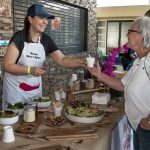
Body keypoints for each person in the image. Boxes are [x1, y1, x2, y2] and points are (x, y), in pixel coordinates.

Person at [2, 4, 86, 107]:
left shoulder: (46, 40)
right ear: (30, 19)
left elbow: (62, 59)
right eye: (41, 18)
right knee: (15, 121)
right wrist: (30, 70)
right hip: (15, 91)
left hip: (35, 90)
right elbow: (7, 66)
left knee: (35, 119)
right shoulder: (19, 38)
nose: (45, 22)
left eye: (46, 19)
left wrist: (82, 62)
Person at [88, 16, 150, 150]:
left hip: (147, 131)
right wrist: (99, 74)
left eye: (130, 30)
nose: (127, 34)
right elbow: (122, 85)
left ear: (141, 37)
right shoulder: (139, 61)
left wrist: (148, 123)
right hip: (138, 127)